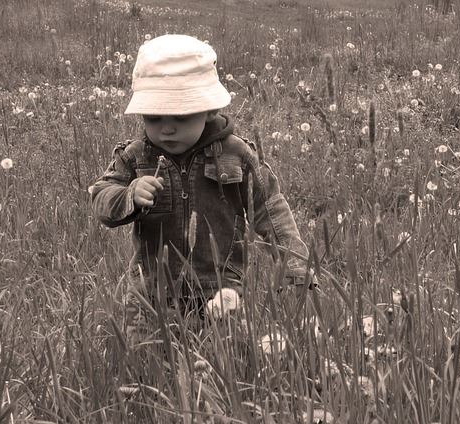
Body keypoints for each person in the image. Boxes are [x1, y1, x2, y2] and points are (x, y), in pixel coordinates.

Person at [90, 34, 308, 340]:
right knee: (146, 367)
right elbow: (100, 197)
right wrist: (129, 195)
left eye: (180, 116)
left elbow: (269, 206)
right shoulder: (137, 156)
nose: (166, 128)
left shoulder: (236, 154)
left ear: (208, 109)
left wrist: (294, 264)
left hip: (221, 290)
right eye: (154, 117)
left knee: (228, 362)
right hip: (152, 293)